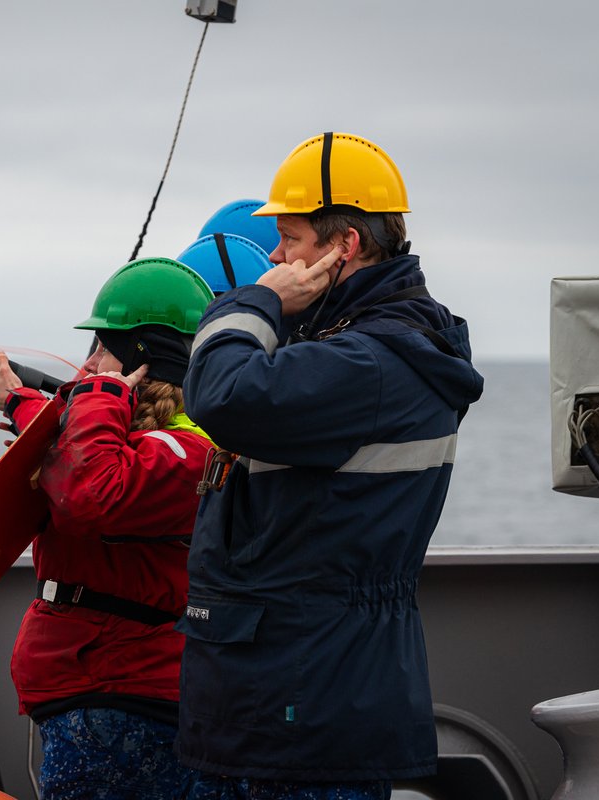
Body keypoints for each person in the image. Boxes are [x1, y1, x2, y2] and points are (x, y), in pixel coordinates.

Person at [177, 132, 486, 799]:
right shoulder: (361, 348)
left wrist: (252, 301)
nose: (277, 258)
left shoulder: (367, 364)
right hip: (294, 700)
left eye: (289, 240)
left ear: (343, 245)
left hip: (300, 709)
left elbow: (221, 394)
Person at [0, 257, 216, 800]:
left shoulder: (189, 450)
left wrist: (101, 396)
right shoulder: (131, 442)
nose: (89, 364)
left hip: (122, 696)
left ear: (140, 358)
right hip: (97, 688)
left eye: (103, 348)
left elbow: (91, 492)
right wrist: (19, 404)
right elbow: (86, 452)